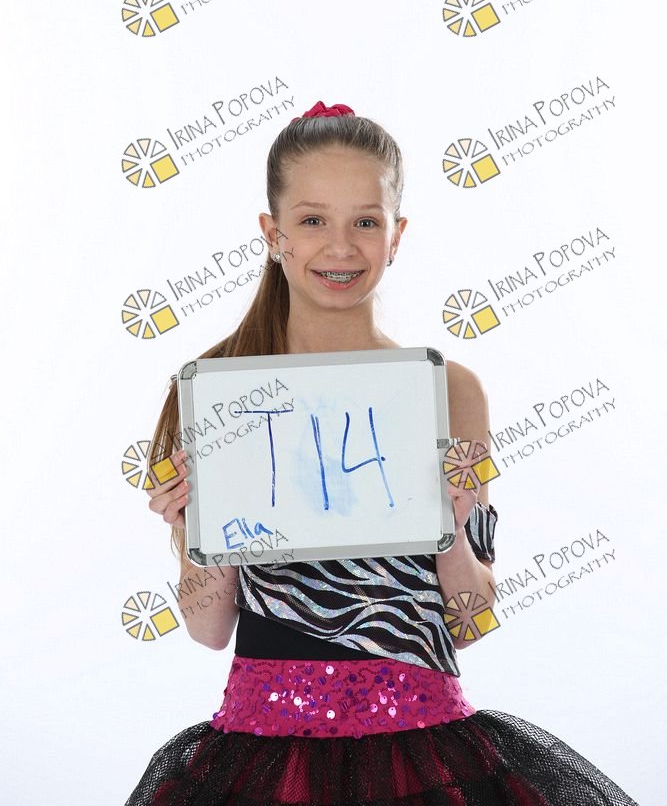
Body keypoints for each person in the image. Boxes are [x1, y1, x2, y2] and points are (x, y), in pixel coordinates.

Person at [125, 101, 637, 805]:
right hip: (264, 745)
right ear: (273, 234)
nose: (340, 248)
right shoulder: (218, 392)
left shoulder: (448, 392)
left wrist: (452, 522)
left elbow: (470, 620)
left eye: (365, 222)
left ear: (396, 235)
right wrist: (193, 528)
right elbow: (209, 628)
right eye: (313, 220)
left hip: (423, 743)